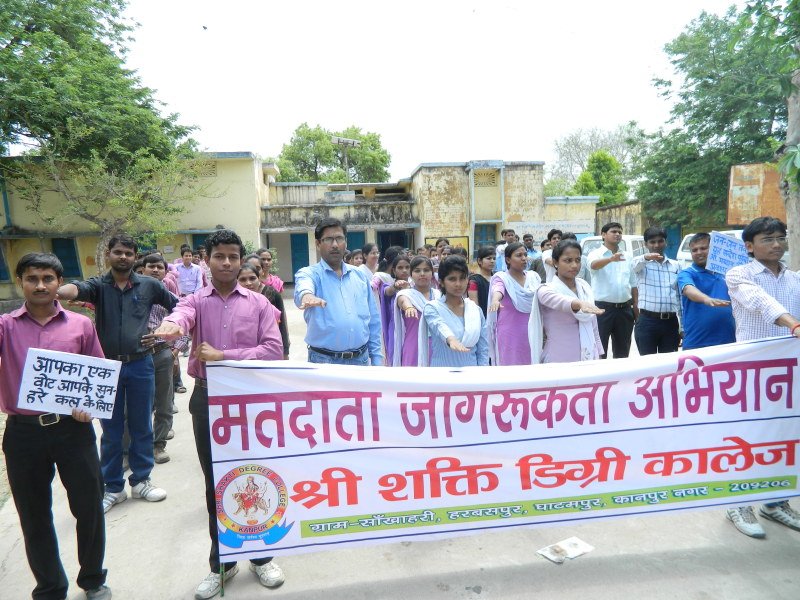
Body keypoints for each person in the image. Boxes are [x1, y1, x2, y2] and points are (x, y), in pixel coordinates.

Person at [152, 229, 285, 598]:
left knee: (256, 479)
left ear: (240, 261)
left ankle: (262, 557)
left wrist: (225, 356)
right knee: (217, 484)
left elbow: (273, 350)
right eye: (219, 256)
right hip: (207, 399)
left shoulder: (259, 304)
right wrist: (173, 324)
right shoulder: (194, 300)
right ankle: (222, 564)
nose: (226, 263)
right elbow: (181, 315)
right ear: (206, 260)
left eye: (233, 257)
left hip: (250, 403)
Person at [1, 253, 112, 600]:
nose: (40, 285)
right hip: (23, 434)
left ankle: (92, 578)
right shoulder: (5, 327)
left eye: (47, 278)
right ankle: (50, 588)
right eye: (32, 278)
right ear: (21, 282)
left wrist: (89, 408)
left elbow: (97, 375)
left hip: (72, 431)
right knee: (33, 515)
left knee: (89, 507)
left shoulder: (81, 325)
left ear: (58, 283)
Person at [57, 234, 176, 512]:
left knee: (141, 425)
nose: (123, 257)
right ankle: (112, 488)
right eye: (118, 252)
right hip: (107, 368)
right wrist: (57, 289)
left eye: (128, 253)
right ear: (108, 254)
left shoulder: (150, 285)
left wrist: (164, 333)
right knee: (111, 430)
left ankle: (141, 480)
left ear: (135, 257)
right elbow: (76, 289)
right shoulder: (98, 286)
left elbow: (179, 307)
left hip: (141, 364)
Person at [723, 217, 800, 538]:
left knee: (783, 438)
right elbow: (761, 301)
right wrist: (793, 324)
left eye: (780, 237)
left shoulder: (795, 279)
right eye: (768, 239)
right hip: (750, 376)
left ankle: (775, 502)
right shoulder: (739, 274)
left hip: (788, 376)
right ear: (749, 246)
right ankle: (738, 503)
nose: (777, 244)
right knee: (747, 439)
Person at [294, 217, 383, 366]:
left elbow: (373, 320)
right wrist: (307, 296)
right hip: (324, 361)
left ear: (345, 242)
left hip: (360, 360)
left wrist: (376, 358)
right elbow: (304, 287)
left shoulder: (360, 276)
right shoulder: (309, 274)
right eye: (328, 239)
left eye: (339, 239)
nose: (335, 245)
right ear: (318, 243)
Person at [141, 253, 189, 463]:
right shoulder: (133, 295)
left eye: (159, 267)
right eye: (150, 266)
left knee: (164, 402)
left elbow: (186, 324)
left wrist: (175, 351)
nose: (155, 270)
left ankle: (158, 444)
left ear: (165, 271)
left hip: (162, 354)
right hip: (136, 357)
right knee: (137, 404)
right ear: (142, 269)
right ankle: (135, 447)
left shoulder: (171, 299)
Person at [535, 240, 604, 363]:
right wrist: (578, 304)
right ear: (555, 262)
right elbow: (559, 301)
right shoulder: (546, 290)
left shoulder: (584, 287)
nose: (574, 265)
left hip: (588, 358)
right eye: (568, 260)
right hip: (558, 359)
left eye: (578, 260)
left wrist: (598, 352)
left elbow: (593, 327)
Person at [424, 256, 488, 366]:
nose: (458, 284)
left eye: (462, 278)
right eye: (452, 279)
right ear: (441, 282)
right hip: (442, 372)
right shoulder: (432, 308)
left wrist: (482, 371)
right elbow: (439, 326)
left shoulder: (475, 310)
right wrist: (451, 339)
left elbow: (483, 349)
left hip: (471, 372)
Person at [676, 232, 735, 350]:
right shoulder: (687, 273)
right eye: (694, 250)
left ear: (713, 249)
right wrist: (706, 299)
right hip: (697, 343)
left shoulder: (728, 273)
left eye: (703, 248)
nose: (699, 252)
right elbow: (688, 289)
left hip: (729, 342)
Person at [487, 242, 542, 365]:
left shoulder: (534, 277)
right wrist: (495, 300)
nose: (524, 258)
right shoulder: (502, 278)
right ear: (508, 260)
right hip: (509, 333)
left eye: (525, 255)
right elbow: (498, 289)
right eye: (519, 255)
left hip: (532, 330)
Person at [588, 222, 638, 359]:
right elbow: (593, 266)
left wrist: (636, 304)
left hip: (624, 310)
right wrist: (610, 259)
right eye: (614, 231)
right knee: (600, 351)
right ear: (603, 234)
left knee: (622, 352)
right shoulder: (595, 254)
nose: (617, 234)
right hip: (602, 309)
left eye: (619, 232)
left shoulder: (627, 256)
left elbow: (633, 283)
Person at [631, 226, 682, 355]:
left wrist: (683, 326)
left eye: (660, 241)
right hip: (647, 322)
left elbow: (679, 297)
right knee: (648, 363)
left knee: (669, 363)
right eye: (652, 242)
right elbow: (634, 266)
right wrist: (647, 257)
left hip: (670, 322)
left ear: (666, 242)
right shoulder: (641, 264)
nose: (656, 245)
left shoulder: (676, 266)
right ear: (646, 244)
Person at [237, 262, 290, 359]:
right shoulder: (233, 304)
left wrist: (285, 351)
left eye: (252, 278)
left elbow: (281, 328)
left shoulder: (267, 302)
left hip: (266, 354)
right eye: (243, 279)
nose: (248, 283)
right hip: (241, 356)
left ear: (259, 279)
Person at [394, 256, 441, 366]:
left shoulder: (439, 296)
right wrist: (409, 307)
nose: (422, 274)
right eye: (417, 271)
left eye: (426, 270)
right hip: (414, 347)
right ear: (411, 274)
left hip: (437, 347)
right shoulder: (406, 294)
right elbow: (403, 301)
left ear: (432, 273)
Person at [375, 253, 411, 365]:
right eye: (400, 268)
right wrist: (396, 286)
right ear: (394, 270)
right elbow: (387, 292)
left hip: (412, 329)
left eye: (407, 267)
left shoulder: (416, 287)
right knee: (395, 358)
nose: (404, 270)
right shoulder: (389, 286)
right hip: (395, 330)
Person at [468, 245, 496, 316]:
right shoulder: (474, 281)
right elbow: (474, 306)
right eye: (489, 258)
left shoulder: (497, 278)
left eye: (494, 258)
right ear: (479, 261)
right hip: (482, 317)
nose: (492, 261)